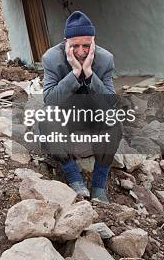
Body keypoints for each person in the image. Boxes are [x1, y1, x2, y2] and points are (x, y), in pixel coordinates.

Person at [41, 11, 121, 203]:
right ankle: (74, 179)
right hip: (65, 118)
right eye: (75, 46)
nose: (81, 51)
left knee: (114, 121)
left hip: (93, 116)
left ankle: (99, 186)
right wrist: (76, 73)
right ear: (65, 42)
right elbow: (49, 99)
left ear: (93, 42)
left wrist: (89, 74)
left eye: (86, 45)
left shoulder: (105, 59)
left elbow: (110, 101)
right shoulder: (51, 59)